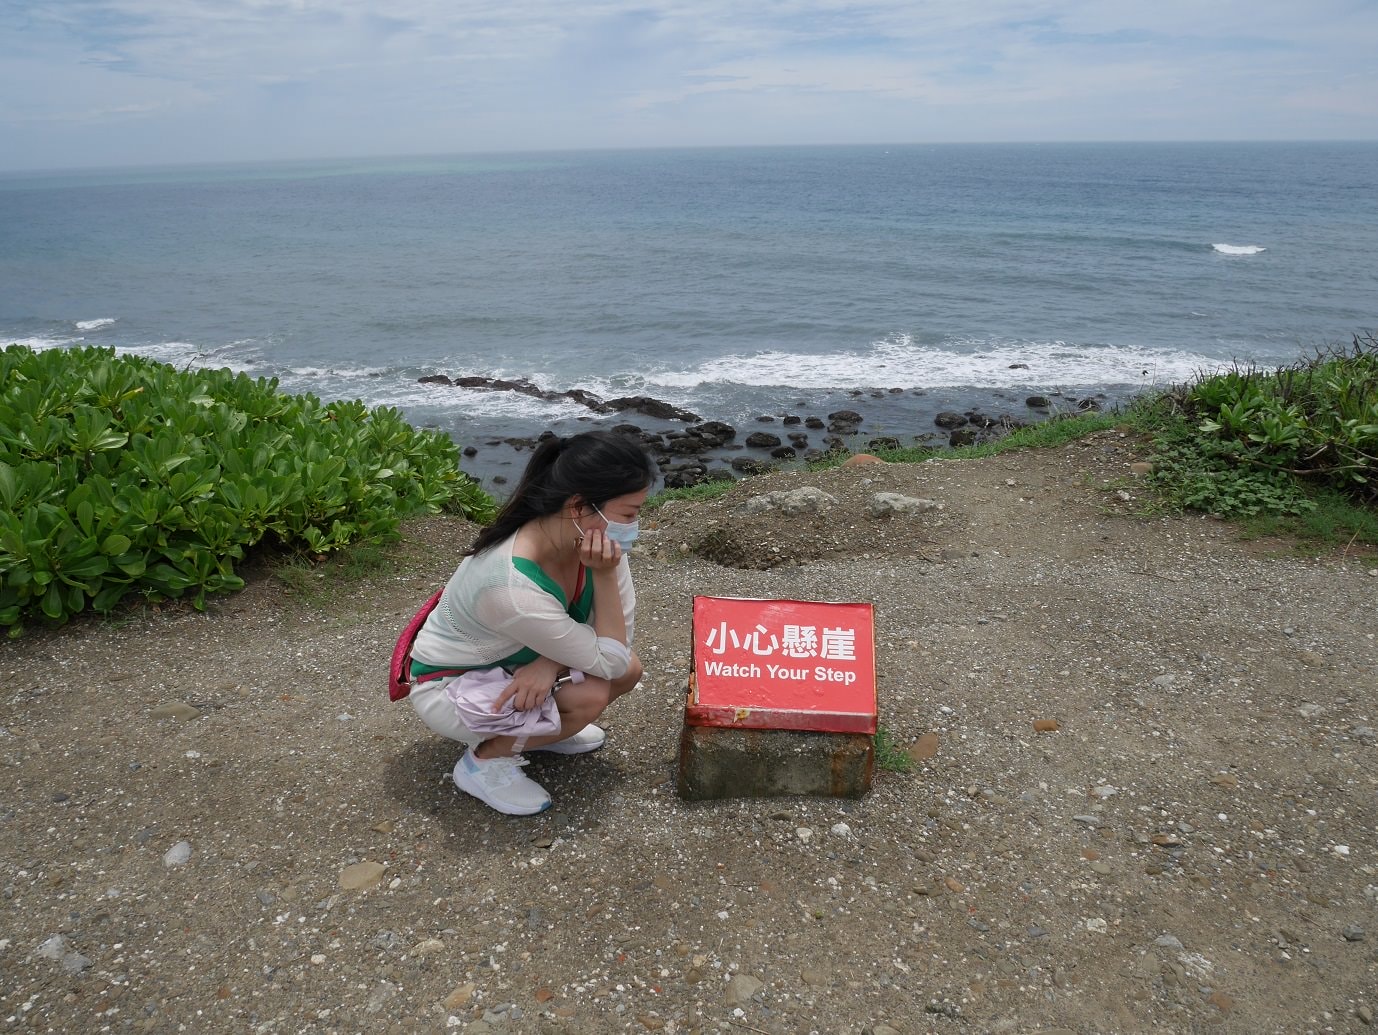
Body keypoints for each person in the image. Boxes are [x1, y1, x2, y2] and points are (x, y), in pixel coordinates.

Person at [407, 431, 656, 815]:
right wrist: (604, 577)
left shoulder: (590, 542)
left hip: (515, 661)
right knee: (591, 693)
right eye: (628, 514)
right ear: (578, 507)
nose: (634, 525)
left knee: (627, 671)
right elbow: (610, 658)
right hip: (453, 683)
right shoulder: (508, 585)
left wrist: (549, 663)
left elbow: (620, 645)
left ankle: (542, 730)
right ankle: (485, 762)